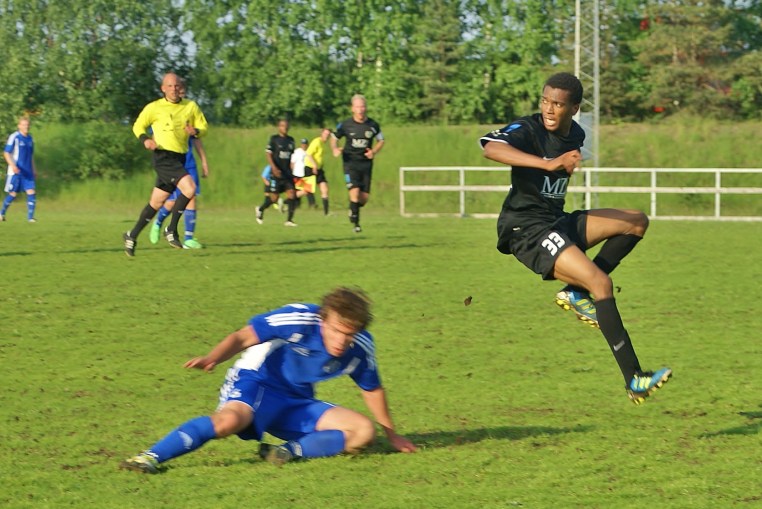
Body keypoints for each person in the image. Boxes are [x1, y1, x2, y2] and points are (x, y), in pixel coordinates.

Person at [479, 72, 671, 405]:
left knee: (636, 222)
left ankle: (575, 292)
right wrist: (547, 164)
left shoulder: (577, 134)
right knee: (602, 284)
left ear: (574, 108)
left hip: (556, 222)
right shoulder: (528, 128)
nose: (549, 109)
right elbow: (491, 148)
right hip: (527, 230)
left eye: (557, 104)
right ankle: (634, 378)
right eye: (545, 101)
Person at [120, 287, 417, 473]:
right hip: (257, 382)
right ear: (323, 320)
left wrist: (392, 435)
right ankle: (149, 457)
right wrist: (213, 358)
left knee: (363, 432)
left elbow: (372, 388)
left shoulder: (361, 347)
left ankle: (285, 451)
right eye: (336, 331)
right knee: (227, 422)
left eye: (349, 334)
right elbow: (243, 336)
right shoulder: (298, 319)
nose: (342, 340)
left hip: (297, 399)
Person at [123, 72, 208, 257]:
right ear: (163, 88)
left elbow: (204, 128)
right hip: (163, 157)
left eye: (176, 86)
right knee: (190, 189)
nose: (174, 89)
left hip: (179, 158)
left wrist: (195, 131)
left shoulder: (190, 106)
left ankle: (131, 235)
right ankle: (171, 228)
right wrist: (145, 139)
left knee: (157, 202)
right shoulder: (154, 107)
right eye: (169, 86)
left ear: (181, 87)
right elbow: (138, 126)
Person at [149, 83, 210, 249]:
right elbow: (155, 136)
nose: (178, 93)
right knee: (172, 201)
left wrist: (204, 161)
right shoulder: (165, 115)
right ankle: (158, 222)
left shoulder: (189, 115)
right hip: (172, 163)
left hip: (189, 163)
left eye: (181, 91)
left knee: (191, 197)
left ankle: (189, 238)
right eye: (176, 91)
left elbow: (197, 141)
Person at [331, 95, 385, 233]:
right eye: (357, 107)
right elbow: (334, 138)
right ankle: (356, 224)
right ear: (352, 109)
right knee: (354, 191)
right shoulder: (345, 125)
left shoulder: (373, 125)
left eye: (362, 106)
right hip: (350, 163)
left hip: (366, 164)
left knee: (363, 199)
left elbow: (381, 140)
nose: (360, 110)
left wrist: (374, 151)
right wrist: (335, 149)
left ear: (365, 108)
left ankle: (353, 208)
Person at [256, 119, 297, 227]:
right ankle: (260, 209)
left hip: (287, 174)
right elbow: (268, 154)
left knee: (292, 194)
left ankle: (289, 220)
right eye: (282, 126)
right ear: (279, 127)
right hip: (276, 173)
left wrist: (293, 169)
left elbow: (291, 157)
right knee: (274, 198)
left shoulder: (291, 140)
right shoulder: (274, 139)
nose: (285, 128)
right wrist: (274, 168)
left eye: (286, 126)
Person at [1, 116, 38, 223]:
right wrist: (13, 165)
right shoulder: (15, 137)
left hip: (27, 171)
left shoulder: (30, 138)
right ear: (19, 126)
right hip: (16, 171)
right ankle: (1, 213)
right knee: (13, 194)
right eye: (24, 125)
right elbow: (6, 153)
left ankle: (30, 218)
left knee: (31, 192)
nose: (26, 127)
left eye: (27, 125)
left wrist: (34, 169)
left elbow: (31, 156)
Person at [305, 128, 332, 215]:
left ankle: (326, 213)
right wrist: (314, 165)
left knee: (325, 189)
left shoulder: (324, 144)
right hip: (310, 168)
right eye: (325, 134)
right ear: (321, 133)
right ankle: (286, 202)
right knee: (306, 190)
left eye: (328, 135)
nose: (326, 136)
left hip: (319, 169)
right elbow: (308, 154)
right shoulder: (316, 141)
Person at [292, 138, 317, 209]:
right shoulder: (297, 152)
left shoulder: (309, 152)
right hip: (297, 173)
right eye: (303, 144)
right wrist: (292, 171)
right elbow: (292, 162)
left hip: (306, 173)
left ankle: (312, 204)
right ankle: (295, 205)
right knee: (298, 190)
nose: (304, 146)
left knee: (309, 189)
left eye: (305, 144)